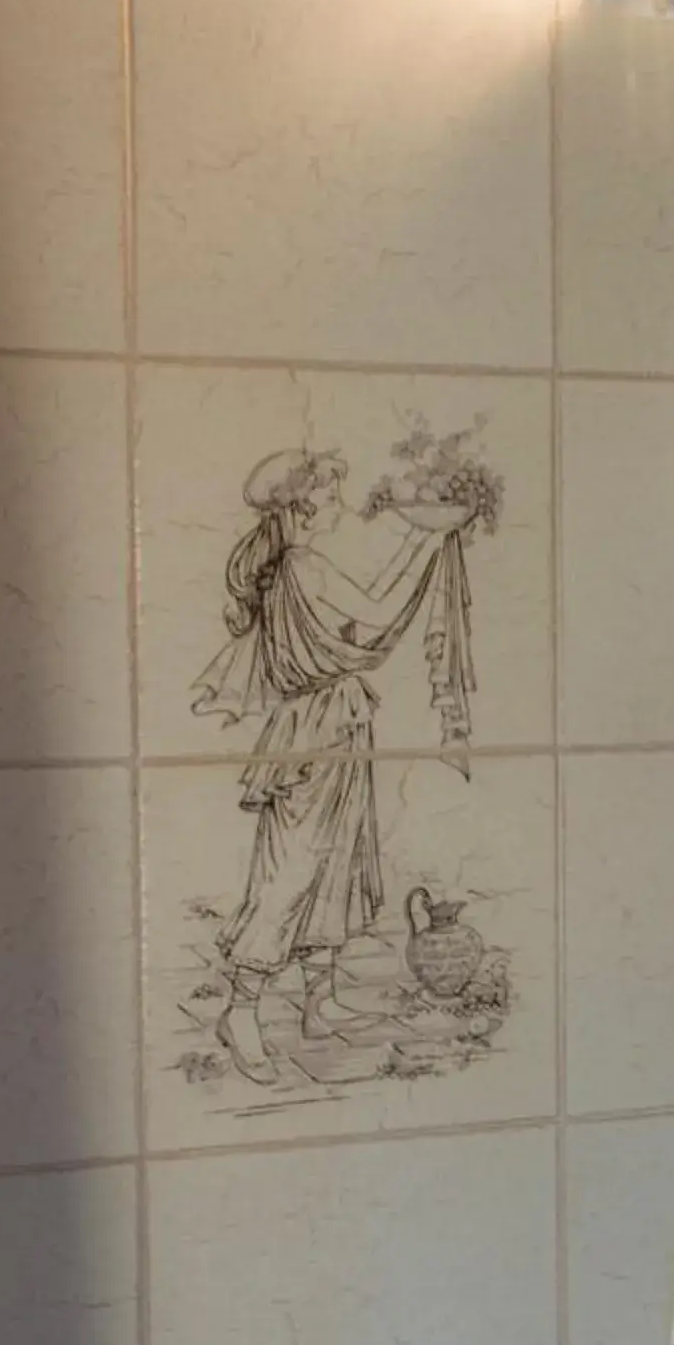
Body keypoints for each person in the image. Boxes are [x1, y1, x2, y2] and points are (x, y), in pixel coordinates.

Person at [191, 448, 473, 1083]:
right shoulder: (300, 566)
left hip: (337, 724)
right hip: (314, 732)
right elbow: (374, 623)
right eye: (330, 491)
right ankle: (241, 1010)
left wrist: (423, 543)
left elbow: (370, 611)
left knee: (340, 859)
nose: (340, 503)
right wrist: (425, 545)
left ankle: (319, 1001)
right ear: (303, 504)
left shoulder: (298, 566)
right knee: (292, 873)